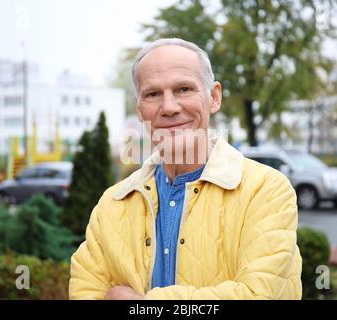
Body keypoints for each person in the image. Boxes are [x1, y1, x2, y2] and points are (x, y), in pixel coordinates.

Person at [69, 38, 302, 300]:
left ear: (213, 98)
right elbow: (84, 292)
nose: (168, 107)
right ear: (139, 109)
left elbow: (258, 295)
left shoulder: (266, 191)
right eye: (153, 94)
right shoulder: (111, 205)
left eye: (183, 89)